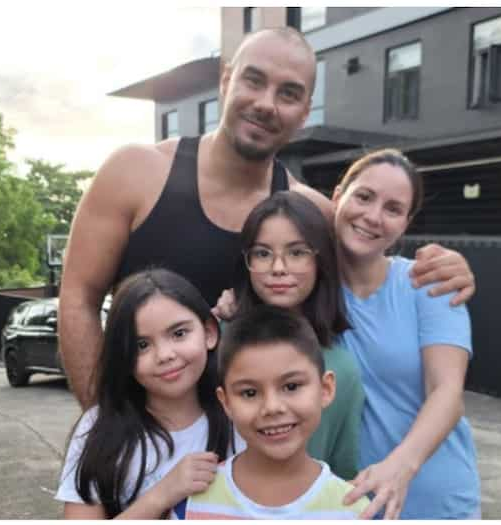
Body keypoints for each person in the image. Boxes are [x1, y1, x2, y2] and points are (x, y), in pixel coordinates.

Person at [59, 27, 477, 409]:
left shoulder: (312, 215)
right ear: (226, 81)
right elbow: (78, 298)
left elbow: (373, 271)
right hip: (140, 445)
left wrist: (450, 269)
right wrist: (105, 425)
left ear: (304, 110)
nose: (265, 104)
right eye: (254, 81)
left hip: (253, 459)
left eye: (288, 93)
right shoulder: (135, 172)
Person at [331, 150, 480, 519]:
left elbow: (447, 392)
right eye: (364, 197)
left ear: (405, 223)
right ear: (337, 197)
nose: (372, 216)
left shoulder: (430, 284)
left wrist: (399, 468)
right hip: (349, 502)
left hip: (434, 497)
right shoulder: (306, 288)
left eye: (393, 208)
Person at [54, 269, 243, 519]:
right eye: (141, 345)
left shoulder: (240, 418)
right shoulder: (98, 428)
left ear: (208, 332)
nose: (165, 355)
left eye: (179, 333)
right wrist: (162, 495)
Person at [184, 306, 369, 519]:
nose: (272, 407)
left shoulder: (354, 511)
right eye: (250, 393)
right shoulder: (193, 503)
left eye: (291, 387)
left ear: (325, 389)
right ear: (225, 402)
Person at [230, 190, 362, 480]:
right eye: (262, 254)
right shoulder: (215, 344)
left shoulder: (342, 368)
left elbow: (342, 473)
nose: (278, 268)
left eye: (297, 252)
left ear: (320, 260)